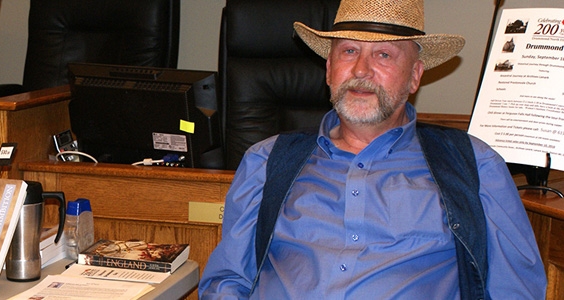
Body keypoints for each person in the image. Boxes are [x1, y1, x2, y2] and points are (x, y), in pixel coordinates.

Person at [198, 0, 547, 299]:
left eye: (383, 55)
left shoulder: (475, 165)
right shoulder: (265, 161)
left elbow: (515, 291)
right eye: (349, 51)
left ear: (414, 76)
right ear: (329, 70)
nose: (361, 70)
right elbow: (227, 281)